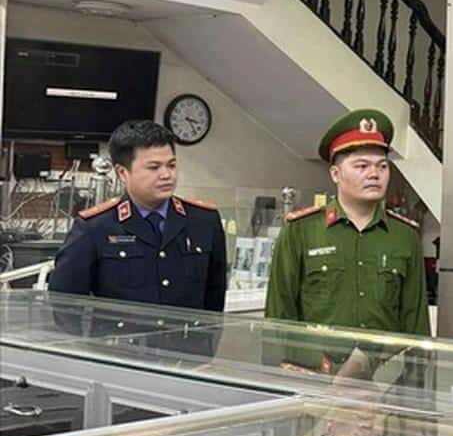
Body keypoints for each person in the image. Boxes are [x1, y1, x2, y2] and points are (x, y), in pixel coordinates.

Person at [265, 108, 430, 373]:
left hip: (381, 383)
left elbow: (415, 326)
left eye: (382, 166)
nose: (374, 174)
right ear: (335, 174)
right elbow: (278, 319)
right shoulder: (301, 230)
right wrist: (317, 367)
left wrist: (411, 386)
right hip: (315, 377)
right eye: (361, 166)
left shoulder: (405, 236)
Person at [51, 120, 227, 311]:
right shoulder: (95, 227)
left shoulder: (204, 221)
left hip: (187, 331)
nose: (166, 175)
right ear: (122, 173)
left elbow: (215, 298)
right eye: (154, 167)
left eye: (171, 165)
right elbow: (64, 303)